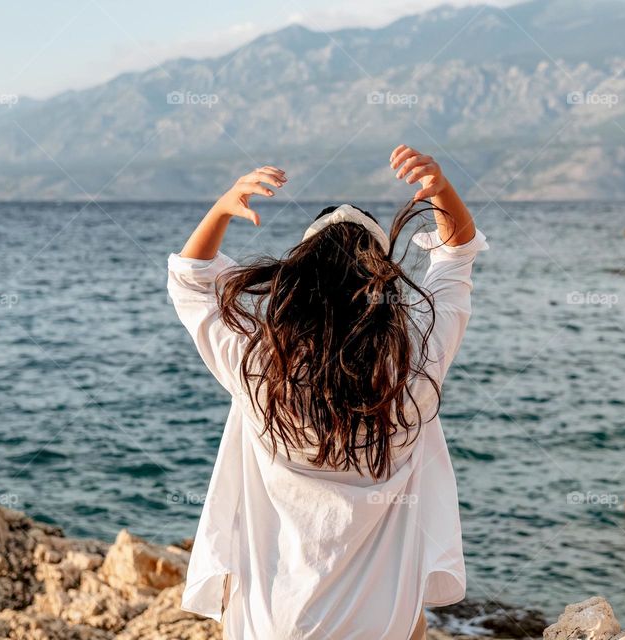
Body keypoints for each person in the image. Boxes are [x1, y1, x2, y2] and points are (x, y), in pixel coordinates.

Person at [168, 144, 487, 639]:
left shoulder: (261, 375)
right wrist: (441, 189)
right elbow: (456, 259)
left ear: (300, 286)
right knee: (416, 624)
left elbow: (190, 282)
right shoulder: (414, 372)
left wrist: (222, 205)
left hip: (271, 622)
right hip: (377, 625)